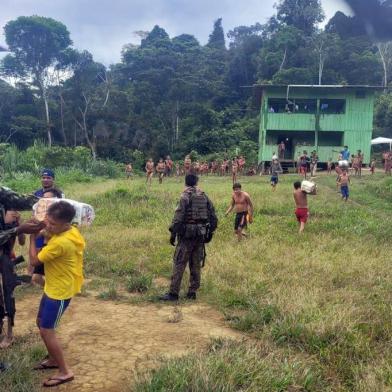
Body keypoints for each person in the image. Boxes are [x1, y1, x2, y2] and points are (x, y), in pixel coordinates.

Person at [29, 201, 85, 387]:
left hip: (60, 292)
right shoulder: (69, 231)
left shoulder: (62, 242)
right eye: (48, 221)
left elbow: (35, 260)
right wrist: (46, 232)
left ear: (65, 223)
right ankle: (53, 360)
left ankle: (65, 371)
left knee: (46, 330)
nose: (48, 225)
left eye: (53, 224)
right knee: (40, 323)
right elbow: (48, 235)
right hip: (52, 287)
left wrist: (33, 237)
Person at [0, 187, 44, 358]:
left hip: (5, 257)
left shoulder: (6, 200)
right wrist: (17, 229)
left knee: (8, 292)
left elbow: (21, 240)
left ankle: (9, 333)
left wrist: (19, 226)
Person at [159, 174, 217, 301]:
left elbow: (178, 217)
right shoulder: (204, 195)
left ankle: (173, 293)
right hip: (200, 234)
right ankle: (192, 292)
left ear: (185, 182)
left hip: (187, 235)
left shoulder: (185, 196)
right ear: (196, 182)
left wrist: (173, 233)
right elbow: (213, 216)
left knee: (179, 262)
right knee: (195, 264)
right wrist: (210, 233)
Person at [31, 188, 63, 288]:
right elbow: (40, 232)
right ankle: (50, 290)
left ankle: (53, 291)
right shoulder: (42, 214)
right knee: (36, 277)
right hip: (45, 247)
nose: (45, 201)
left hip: (56, 249)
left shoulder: (62, 216)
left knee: (52, 276)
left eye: (49, 198)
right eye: (43, 198)